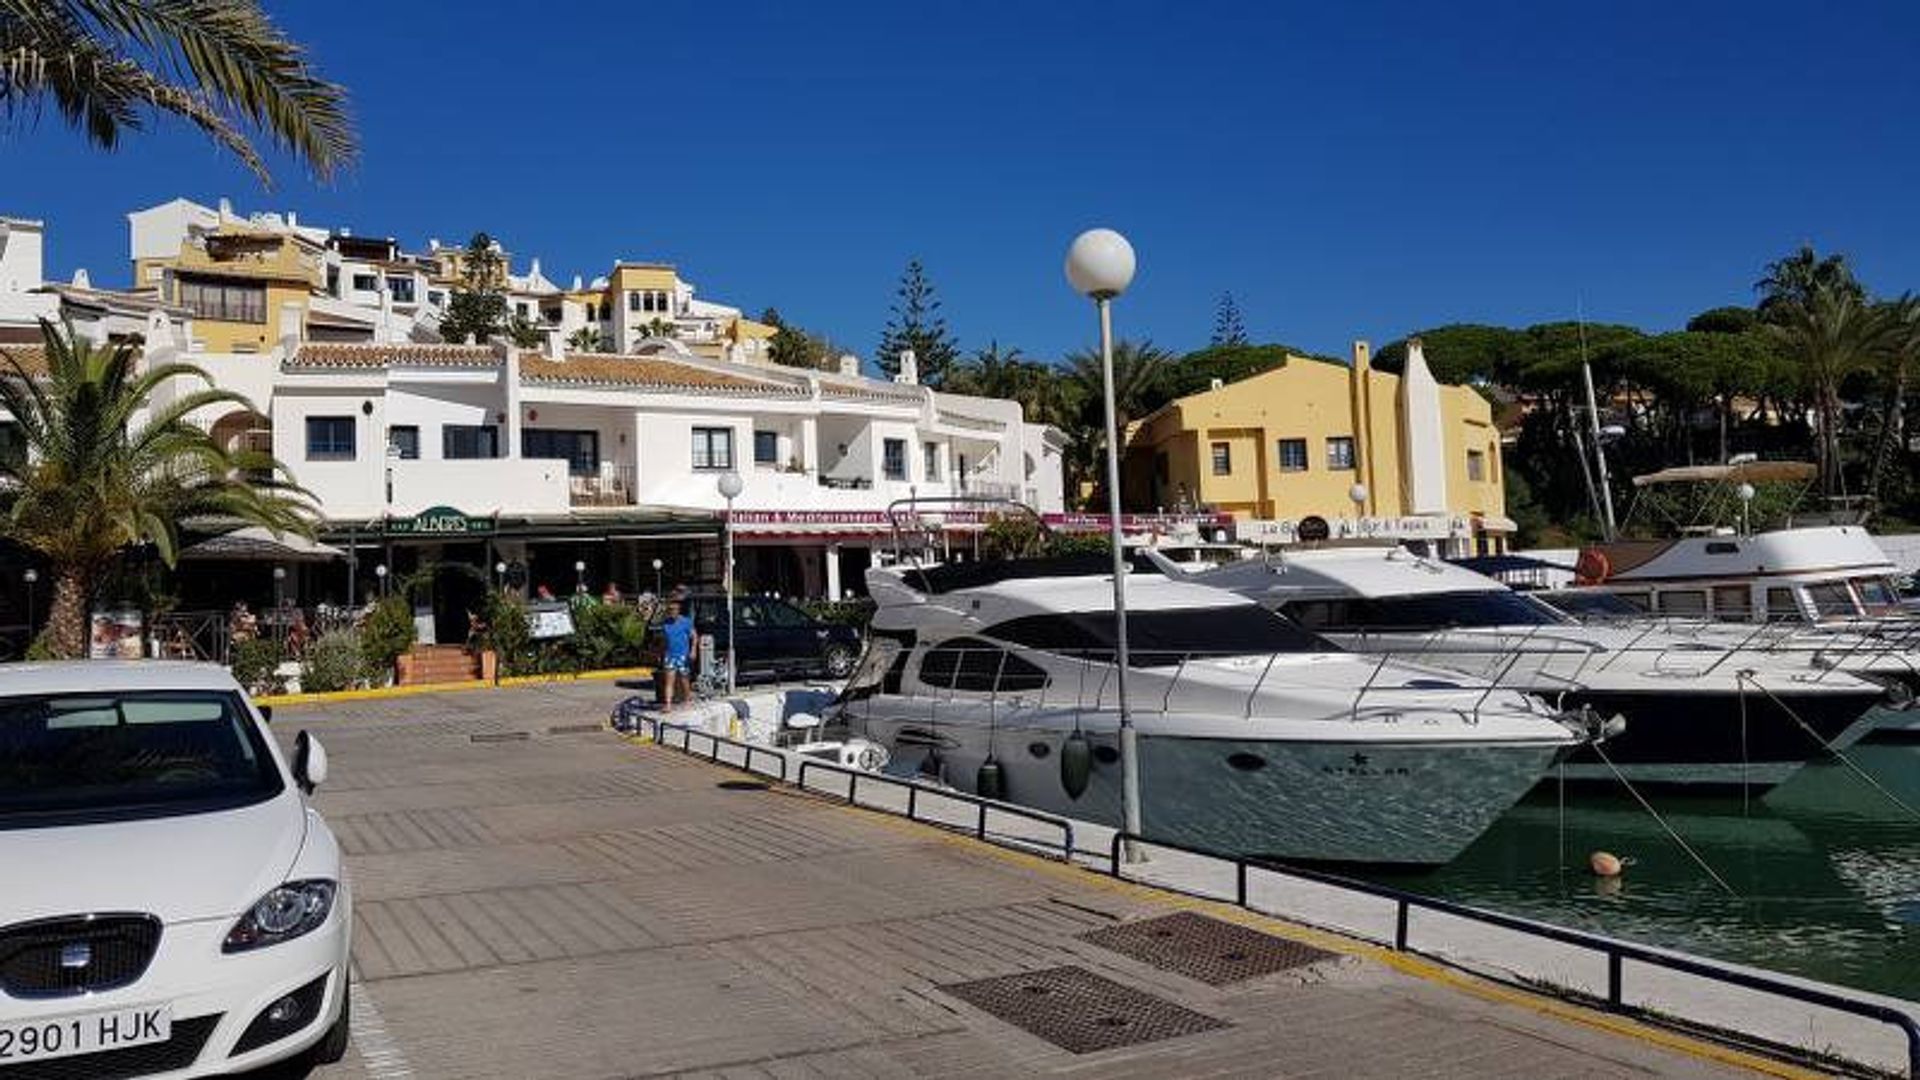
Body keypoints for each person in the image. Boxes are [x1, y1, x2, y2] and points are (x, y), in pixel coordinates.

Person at [659, 598, 694, 712]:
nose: (672, 611)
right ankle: (668, 704)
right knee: (669, 681)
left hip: (682, 655)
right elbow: (664, 641)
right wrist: (662, 653)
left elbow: (694, 636)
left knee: (684, 679)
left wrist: (693, 651)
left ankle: (688, 698)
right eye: (670, 609)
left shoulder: (686, 622)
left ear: (678, 610)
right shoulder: (665, 624)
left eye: (674, 609)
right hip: (670, 655)